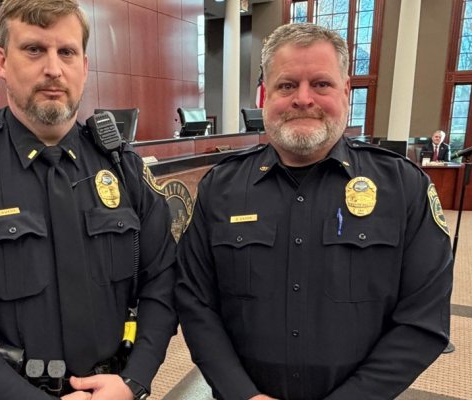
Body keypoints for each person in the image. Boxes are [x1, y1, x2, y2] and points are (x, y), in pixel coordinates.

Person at [0, 1, 177, 399]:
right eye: (34, 50)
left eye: (66, 52)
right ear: (0, 60)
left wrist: (134, 381)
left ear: (83, 65)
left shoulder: (124, 169)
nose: (53, 68)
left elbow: (163, 281)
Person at [175, 23, 453, 400]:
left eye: (321, 84)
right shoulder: (220, 188)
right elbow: (195, 304)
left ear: (346, 92)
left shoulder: (404, 187)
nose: (303, 99)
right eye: (287, 85)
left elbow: (424, 320)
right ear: (264, 95)